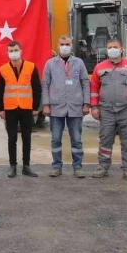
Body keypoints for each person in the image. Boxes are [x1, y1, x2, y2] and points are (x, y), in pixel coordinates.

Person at [89, 39, 127, 181]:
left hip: (126, 109)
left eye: (115, 47)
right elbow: (94, 89)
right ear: (106, 50)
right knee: (105, 139)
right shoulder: (99, 67)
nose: (112, 49)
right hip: (106, 110)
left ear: (121, 49)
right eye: (110, 47)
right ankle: (103, 167)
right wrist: (94, 107)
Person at [41, 35, 91, 178]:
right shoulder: (50, 64)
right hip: (56, 107)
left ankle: (78, 166)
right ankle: (57, 166)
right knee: (56, 138)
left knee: (76, 139)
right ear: (58, 46)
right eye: (62, 44)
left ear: (71, 45)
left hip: (75, 107)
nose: (65, 47)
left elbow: (85, 83)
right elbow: (45, 85)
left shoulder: (79, 63)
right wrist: (46, 105)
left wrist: (86, 103)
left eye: (67, 44)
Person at [0, 41, 42, 178]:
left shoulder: (31, 67)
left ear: (21, 51)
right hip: (10, 108)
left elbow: (37, 88)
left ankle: (26, 166)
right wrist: (1, 109)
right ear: (7, 53)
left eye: (15, 50)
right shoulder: (3, 69)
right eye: (10, 51)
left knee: (26, 137)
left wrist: (35, 107)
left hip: (26, 108)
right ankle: (13, 166)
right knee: (12, 138)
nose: (13, 53)